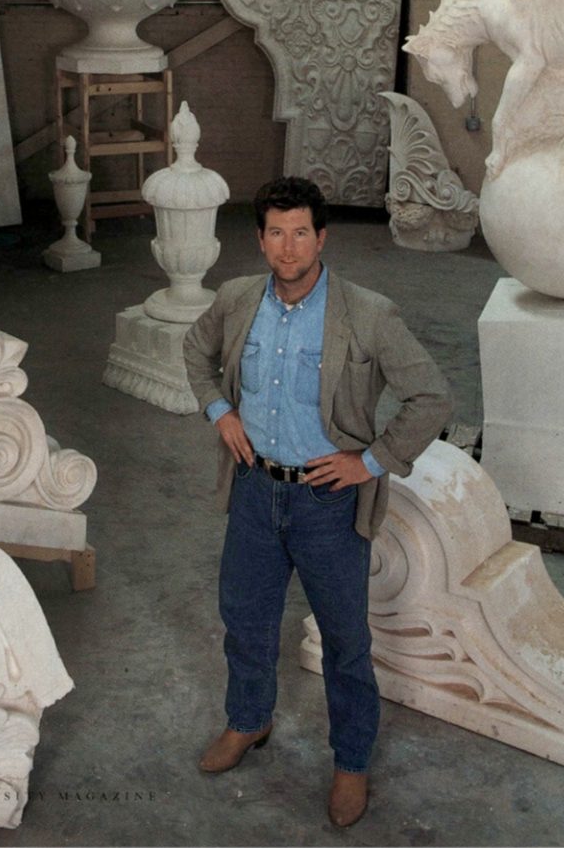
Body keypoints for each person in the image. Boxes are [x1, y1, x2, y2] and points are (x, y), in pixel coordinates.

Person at [183, 175, 452, 829]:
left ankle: (351, 762)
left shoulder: (368, 313)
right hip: (254, 491)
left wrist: (368, 461)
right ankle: (249, 721)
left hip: (326, 504)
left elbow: (432, 397)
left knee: (345, 643)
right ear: (260, 239)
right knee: (245, 622)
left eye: (300, 231)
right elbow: (196, 350)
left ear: (321, 237)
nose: (288, 246)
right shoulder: (238, 297)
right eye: (275, 232)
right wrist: (221, 410)